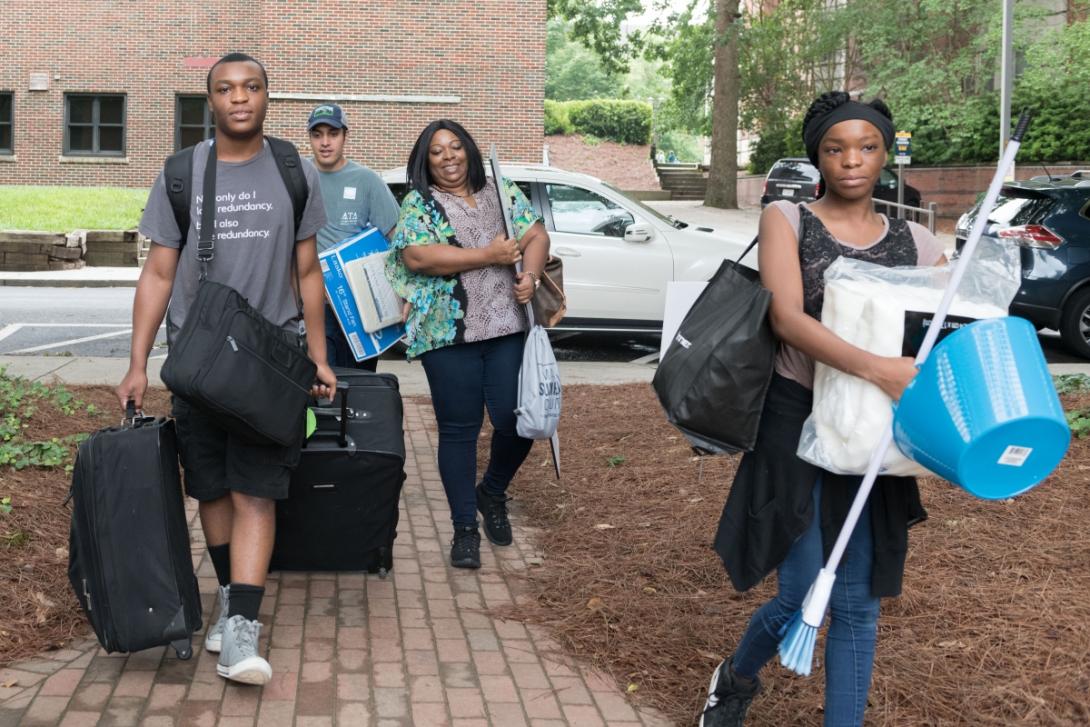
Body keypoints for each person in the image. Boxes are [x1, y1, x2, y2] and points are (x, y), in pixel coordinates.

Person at [699, 91, 947, 727]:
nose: (852, 161)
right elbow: (785, 318)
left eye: (867, 147)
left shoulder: (919, 242)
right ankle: (735, 678)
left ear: (886, 153)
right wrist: (879, 368)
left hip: (876, 429)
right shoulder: (789, 219)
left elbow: (944, 333)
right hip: (799, 418)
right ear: (818, 157)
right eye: (836, 149)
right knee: (801, 589)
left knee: (860, 600)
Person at [117, 52, 334, 686]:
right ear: (210, 100)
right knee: (210, 488)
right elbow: (158, 273)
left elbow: (308, 270)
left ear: (268, 96)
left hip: (271, 363)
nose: (239, 99)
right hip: (200, 363)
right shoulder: (183, 173)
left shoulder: (294, 170)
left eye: (252, 87)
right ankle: (228, 598)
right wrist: (136, 363)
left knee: (256, 490)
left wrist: (318, 355)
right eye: (225, 89)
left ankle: (242, 632)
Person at [384, 119, 550, 569]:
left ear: (469, 151)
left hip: (507, 327)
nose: (449, 157)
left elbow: (535, 235)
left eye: (455, 147)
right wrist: (489, 256)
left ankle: (491, 492)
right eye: (437, 152)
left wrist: (530, 276)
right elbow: (417, 257)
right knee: (458, 430)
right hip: (446, 334)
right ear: (426, 161)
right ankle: (464, 528)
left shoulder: (500, 190)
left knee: (517, 419)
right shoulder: (420, 204)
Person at [306, 102, 402, 372]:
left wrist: (398, 293)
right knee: (320, 389)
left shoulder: (366, 180)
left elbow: (399, 239)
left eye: (333, 134)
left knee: (358, 389)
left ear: (345, 136)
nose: (325, 142)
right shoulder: (298, 175)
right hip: (315, 305)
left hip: (359, 309)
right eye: (317, 134)